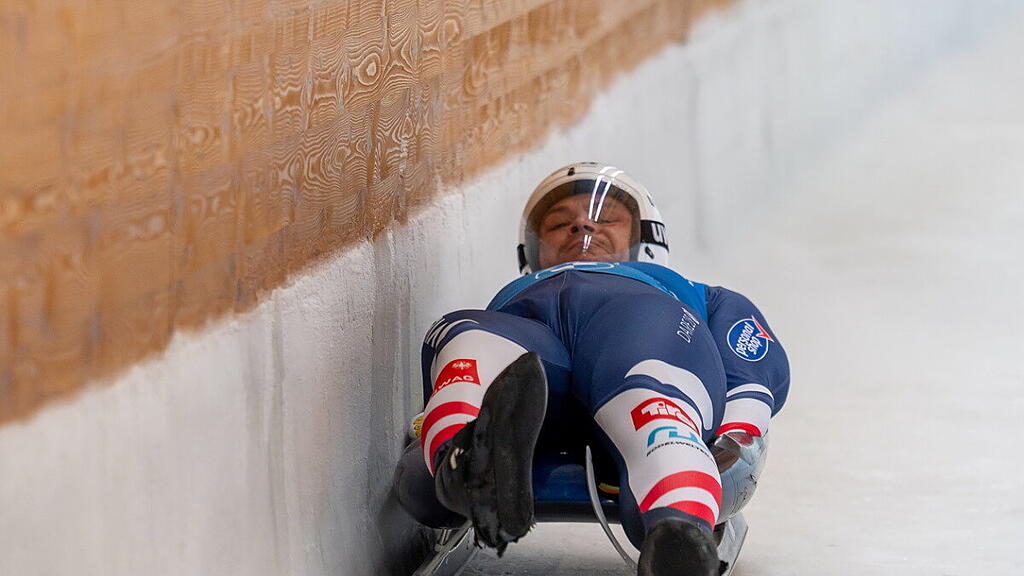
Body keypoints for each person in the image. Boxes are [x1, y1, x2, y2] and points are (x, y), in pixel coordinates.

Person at [395, 162, 790, 576]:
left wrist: (738, 429)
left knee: (646, 387)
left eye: (606, 219)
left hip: (636, 317)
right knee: (466, 336)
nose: (582, 227)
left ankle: (676, 533)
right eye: (559, 224)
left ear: (645, 239)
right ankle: (466, 463)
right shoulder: (515, 298)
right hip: (530, 330)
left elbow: (751, 356)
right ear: (533, 250)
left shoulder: (695, 295)